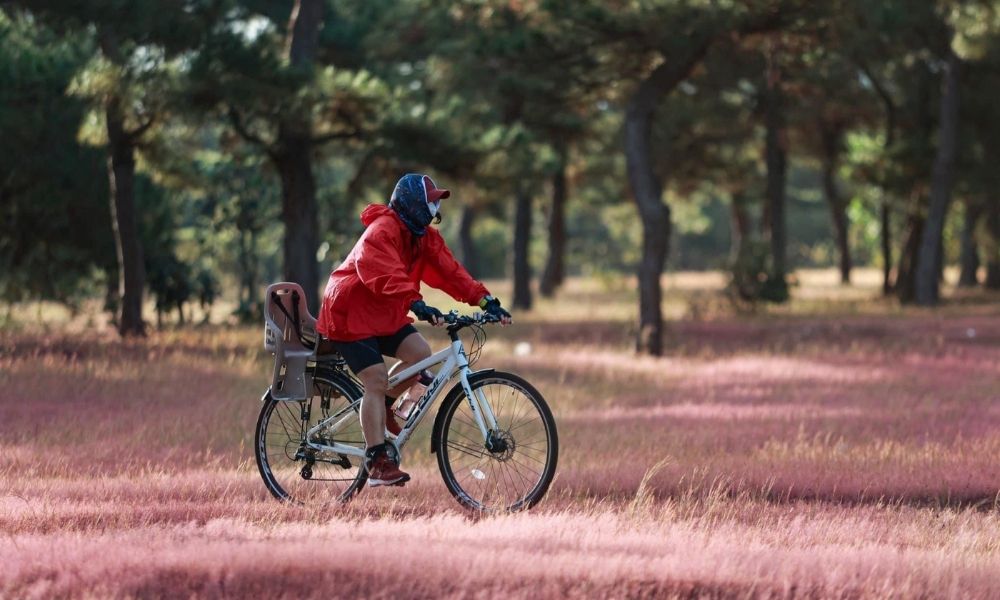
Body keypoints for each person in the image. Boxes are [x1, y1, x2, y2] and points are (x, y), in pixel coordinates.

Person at [316, 173, 512, 487]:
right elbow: (385, 273)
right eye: (430, 202)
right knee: (376, 379)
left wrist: (485, 300)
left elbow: (451, 271)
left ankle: (384, 406)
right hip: (349, 310)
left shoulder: (422, 237)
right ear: (412, 204)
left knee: (421, 354)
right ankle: (377, 461)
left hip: (382, 311)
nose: (435, 208)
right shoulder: (382, 230)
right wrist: (416, 303)